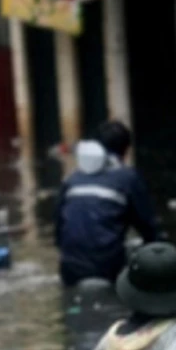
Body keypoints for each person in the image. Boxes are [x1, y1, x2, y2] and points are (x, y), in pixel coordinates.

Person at [55, 121, 159, 288]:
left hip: (70, 269)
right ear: (126, 150)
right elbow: (148, 227)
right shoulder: (128, 178)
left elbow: (59, 232)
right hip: (107, 269)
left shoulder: (72, 180)